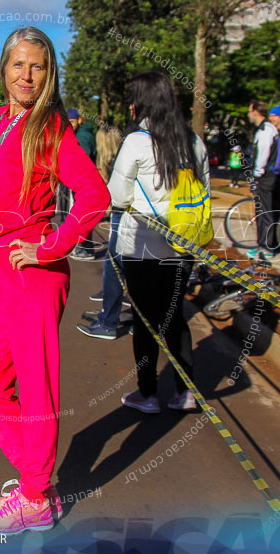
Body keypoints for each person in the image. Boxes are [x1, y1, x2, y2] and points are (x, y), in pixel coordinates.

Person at [0, 26, 110, 536]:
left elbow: (94, 196)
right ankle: (38, 484)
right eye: (19, 64)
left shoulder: (50, 129)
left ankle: (34, 496)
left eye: (38, 67)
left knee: (36, 388)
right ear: (4, 68)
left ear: (49, 75)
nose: (27, 76)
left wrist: (50, 246)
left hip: (33, 275)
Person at [107, 70, 209, 414]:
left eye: (134, 98)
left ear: (144, 102)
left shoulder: (136, 142)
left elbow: (118, 197)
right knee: (176, 317)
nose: (131, 105)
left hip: (142, 247)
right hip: (183, 246)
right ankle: (186, 391)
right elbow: (204, 192)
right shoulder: (195, 142)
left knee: (145, 320)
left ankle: (148, 394)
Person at [78, 126, 129, 340]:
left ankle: (109, 320)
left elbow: (119, 194)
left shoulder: (129, 148)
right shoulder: (191, 141)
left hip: (129, 215)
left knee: (115, 263)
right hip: (164, 221)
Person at [246, 99, 280, 259]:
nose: (248, 114)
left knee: (265, 211)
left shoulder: (266, 130)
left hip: (265, 177)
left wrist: (257, 174)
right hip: (265, 176)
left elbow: (263, 155)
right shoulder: (264, 129)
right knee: (261, 211)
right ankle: (261, 245)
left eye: (249, 111)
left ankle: (266, 247)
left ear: (255, 111)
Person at [67, 108, 98, 261]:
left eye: (72, 122)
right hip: (84, 183)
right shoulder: (83, 133)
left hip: (83, 184)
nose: (70, 125)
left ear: (79, 120)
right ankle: (84, 247)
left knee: (81, 215)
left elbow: (81, 161)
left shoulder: (83, 136)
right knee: (82, 214)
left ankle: (84, 249)